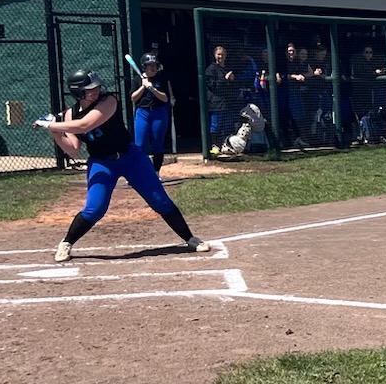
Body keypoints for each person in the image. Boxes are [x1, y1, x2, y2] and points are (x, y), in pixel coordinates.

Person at [36, 69, 210, 262]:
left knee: (159, 200)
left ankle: (190, 238)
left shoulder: (108, 101)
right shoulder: (70, 115)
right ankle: (66, 242)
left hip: (131, 158)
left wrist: (51, 124)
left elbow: (85, 125)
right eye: (89, 89)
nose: (96, 91)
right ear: (78, 92)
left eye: (96, 87)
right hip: (102, 162)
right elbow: (73, 149)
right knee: (95, 208)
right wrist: (54, 131)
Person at [131, 53, 172, 173]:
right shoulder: (137, 79)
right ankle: (141, 171)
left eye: (154, 65)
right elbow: (133, 98)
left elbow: (165, 98)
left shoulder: (161, 78)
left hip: (159, 113)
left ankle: (155, 172)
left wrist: (152, 89)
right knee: (140, 144)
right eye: (150, 65)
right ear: (144, 67)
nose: (153, 68)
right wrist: (143, 87)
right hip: (142, 113)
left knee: (158, 143)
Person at [203, 45, 237, 151]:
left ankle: (225, 145)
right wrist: (225, 79)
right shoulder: (210, 69)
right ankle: (214, 145)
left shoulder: (227, 68)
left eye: (222, 54)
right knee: (215, 125)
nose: (220, 56)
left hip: (228, 103)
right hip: (216, 104)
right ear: (214, 55)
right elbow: (213, 86)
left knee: (226, 126)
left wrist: (231, 80)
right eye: (218, 54)